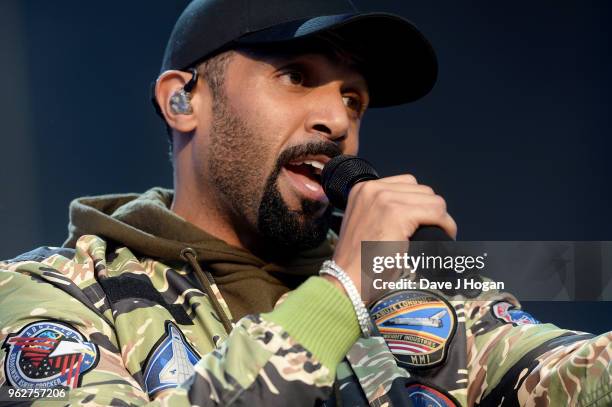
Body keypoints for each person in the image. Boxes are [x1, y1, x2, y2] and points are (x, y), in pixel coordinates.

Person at [0, 0, 610, 405]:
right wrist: (340, 294)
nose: (336, 119)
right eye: (295, 75)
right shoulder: (49, 295)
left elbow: (563, 376)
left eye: (353, 98)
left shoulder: (410, 284)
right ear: (183, 101)